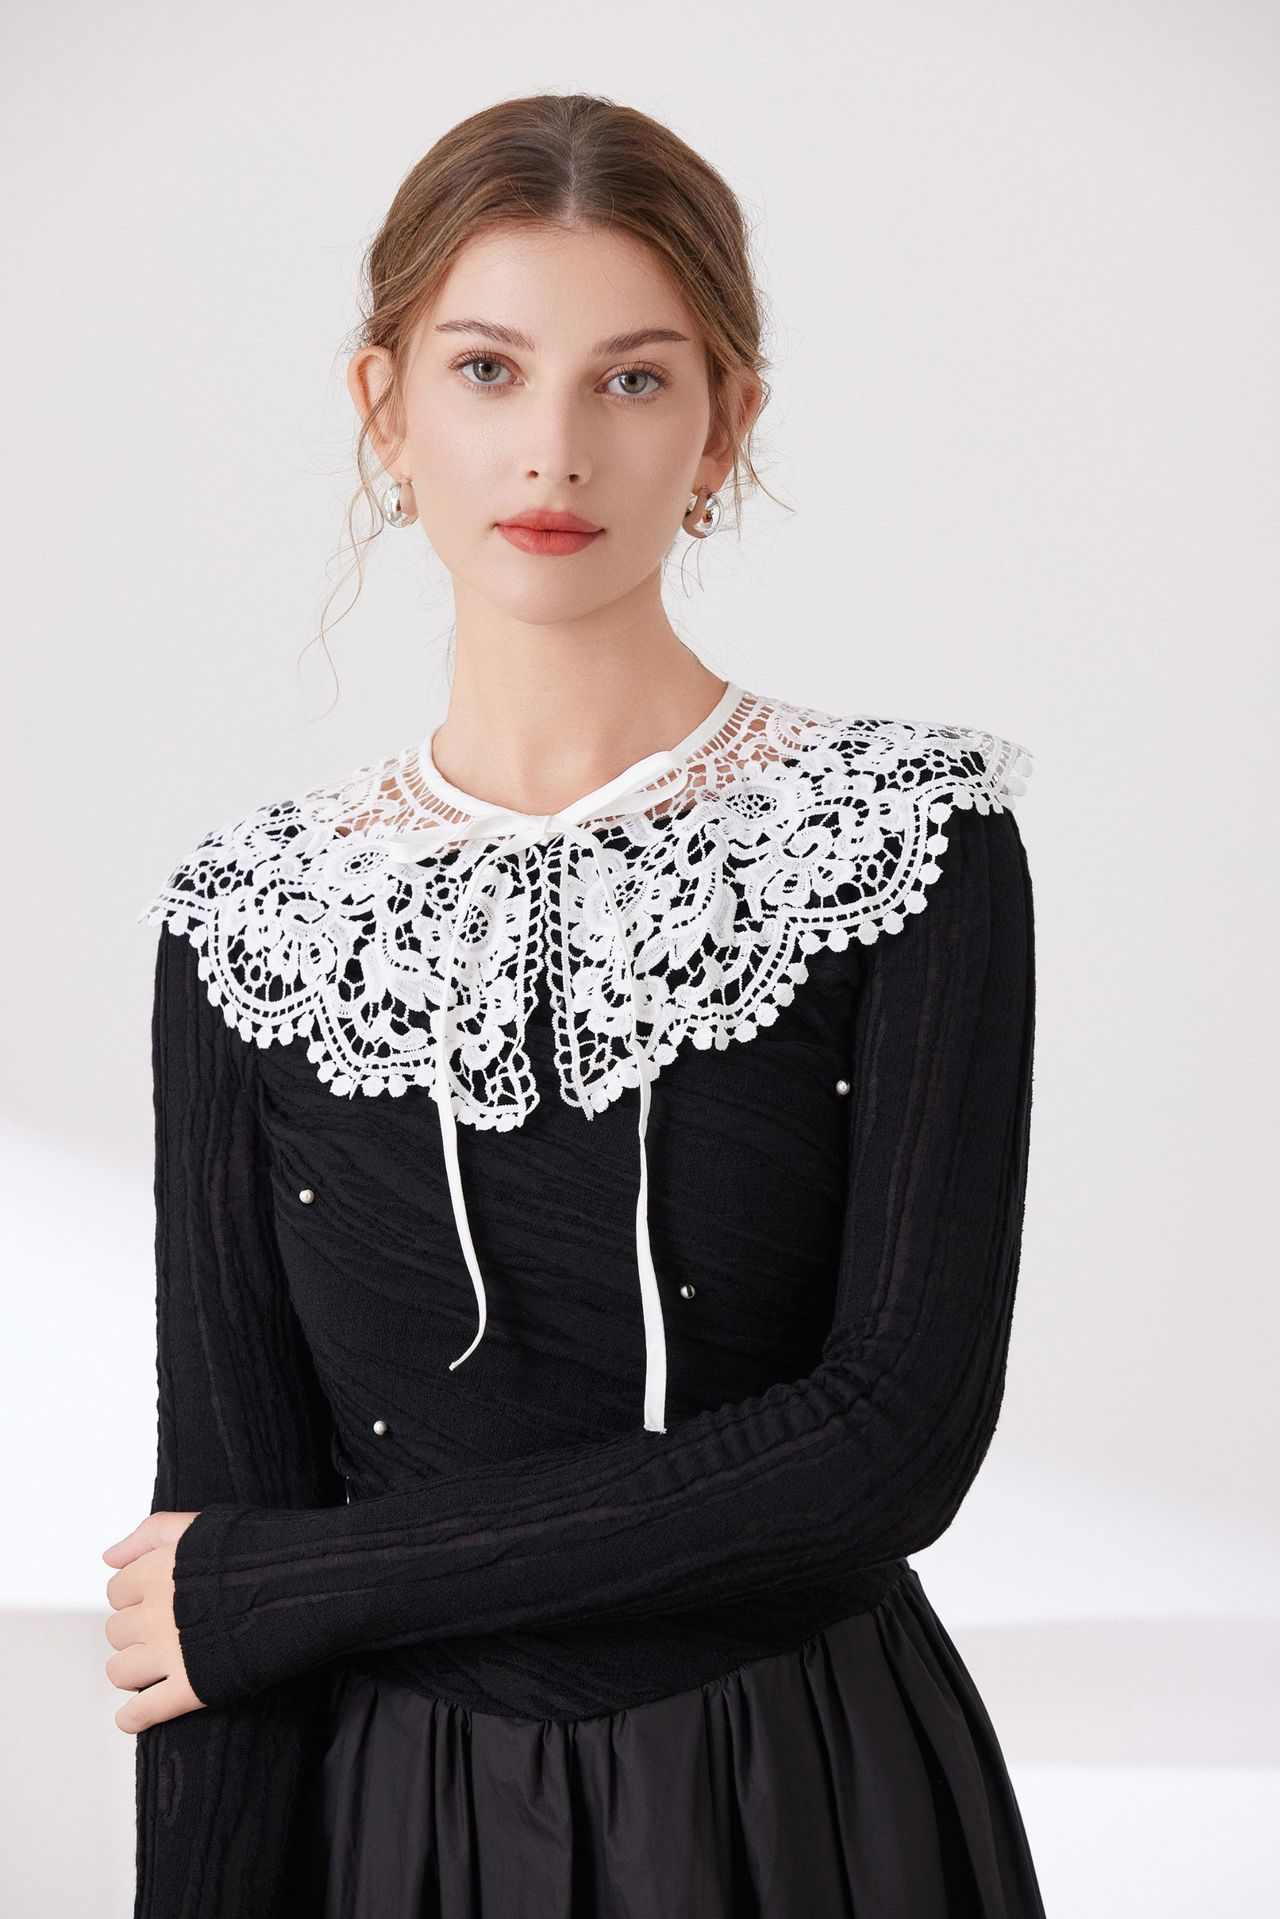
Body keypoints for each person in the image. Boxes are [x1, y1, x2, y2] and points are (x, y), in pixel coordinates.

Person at [103, 92, 1046, 1918]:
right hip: (395, 1832)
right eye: (486, 370)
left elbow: (893, 1444)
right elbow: (207, 1557)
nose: (553, 450)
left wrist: (309, 1582)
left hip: (813, 1800)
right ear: (384, 409)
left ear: (723, 423)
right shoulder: (249, 918)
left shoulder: (908, 843)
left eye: (631, 379)